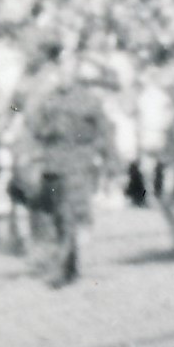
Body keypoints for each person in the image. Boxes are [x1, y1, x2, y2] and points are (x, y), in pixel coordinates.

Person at [18, 52, 111, 288]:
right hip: (52, 163)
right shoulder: (48, 99)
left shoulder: (89, 100)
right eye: (60, 72)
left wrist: (106, 159)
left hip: (78, 163)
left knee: (68, 214)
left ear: (77, 75)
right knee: (58, 216)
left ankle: (60, 269)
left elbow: (104, 132)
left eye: (68, 72)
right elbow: (34, 126)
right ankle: (71, 267)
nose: (63, 77)